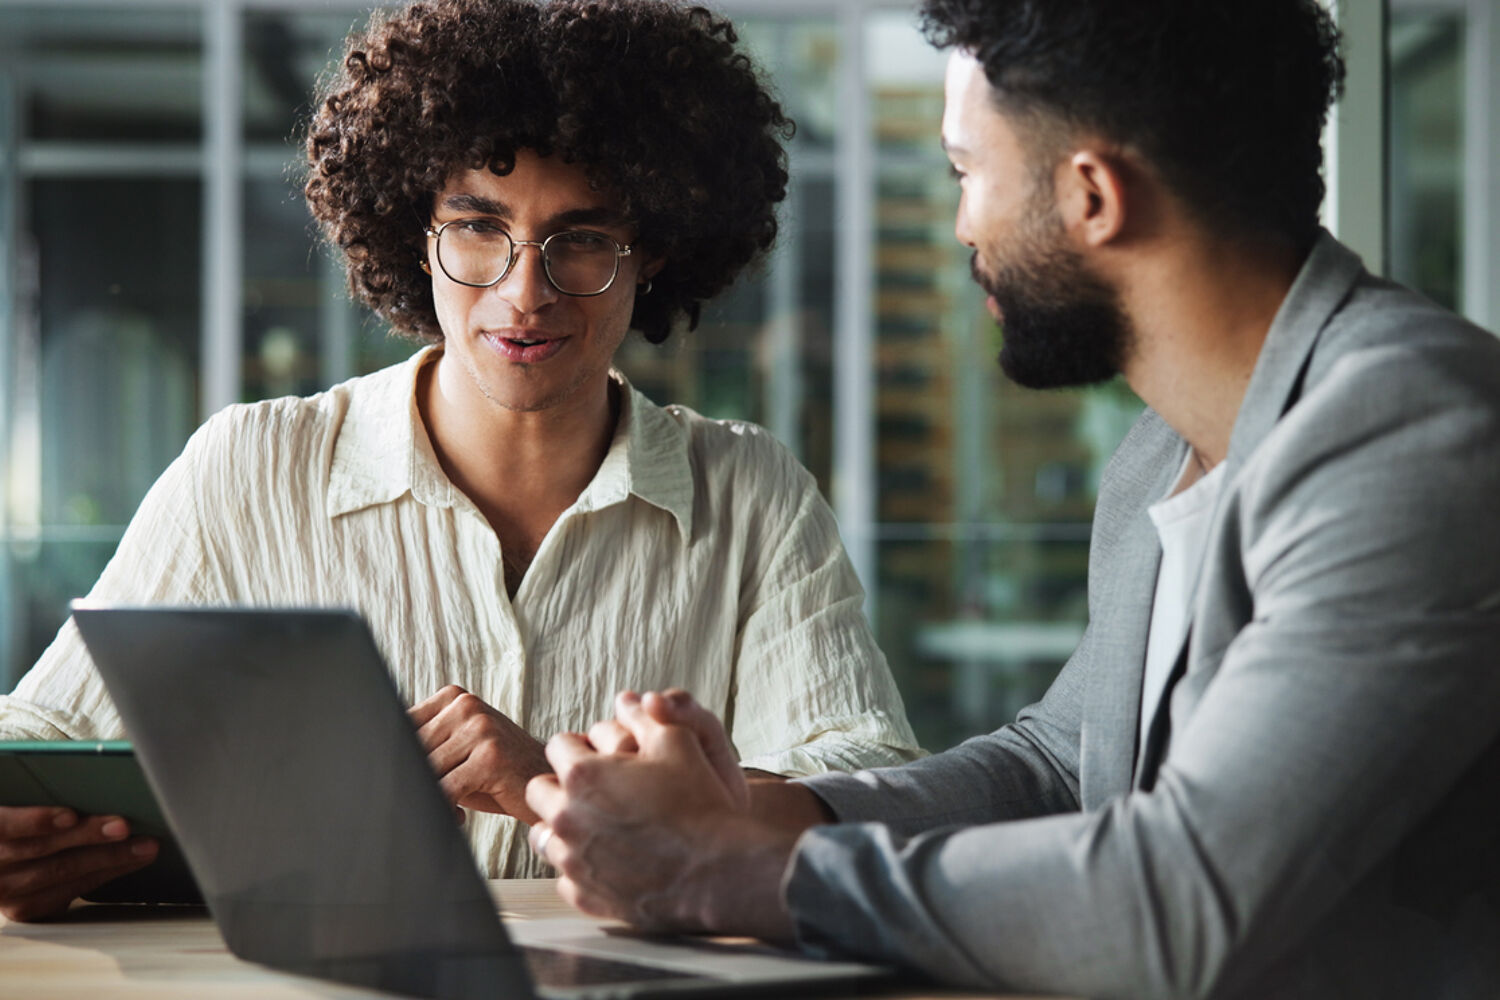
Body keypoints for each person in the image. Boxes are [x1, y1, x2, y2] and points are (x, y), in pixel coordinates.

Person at [522, 1, 1500, 997]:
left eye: (964, 172)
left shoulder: (1419, 436)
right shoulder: (1161, 453)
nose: (960, 226)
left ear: (1092, 196)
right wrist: (760, 814)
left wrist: (728, 869)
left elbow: (1179, 898)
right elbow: (1058, 769)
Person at [0, 0, 921, 923]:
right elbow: (40, 734)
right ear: (415, 232)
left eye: (586, 239)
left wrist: (555, 786)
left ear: (656, 252)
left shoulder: (749, 493)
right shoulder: (252, 469)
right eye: (480, 227)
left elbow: (864, 789)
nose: (526, 293)